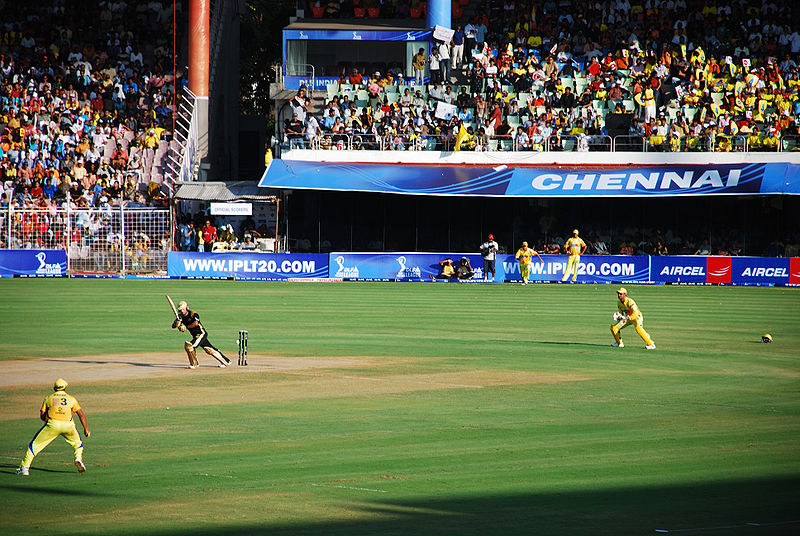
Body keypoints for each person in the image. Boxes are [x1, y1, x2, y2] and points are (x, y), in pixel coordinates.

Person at [16, 378, 91, 476]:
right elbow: (81, 415)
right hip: (68, 425)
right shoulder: (71, 399)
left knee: (34, 445)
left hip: (53, 424)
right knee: (78, 444)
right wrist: (86, 429)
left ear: (54, 388)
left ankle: (24, 468)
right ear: (65, 388)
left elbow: (42, 416)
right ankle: (78, 458)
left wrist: (49, 418)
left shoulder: (48, 398)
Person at [173, 301, 232, 368]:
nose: (182, 311)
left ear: (186, 308)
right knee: (209, 349)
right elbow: (173, 326)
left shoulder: (193, 314)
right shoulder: (180, 317)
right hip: (195, 335)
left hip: (201, 333)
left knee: (189, 346)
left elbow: (196, 323)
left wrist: (186, 327)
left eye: (183, 309)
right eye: (180, 310)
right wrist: (177, 324)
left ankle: (194, 364)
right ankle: (226, 361)